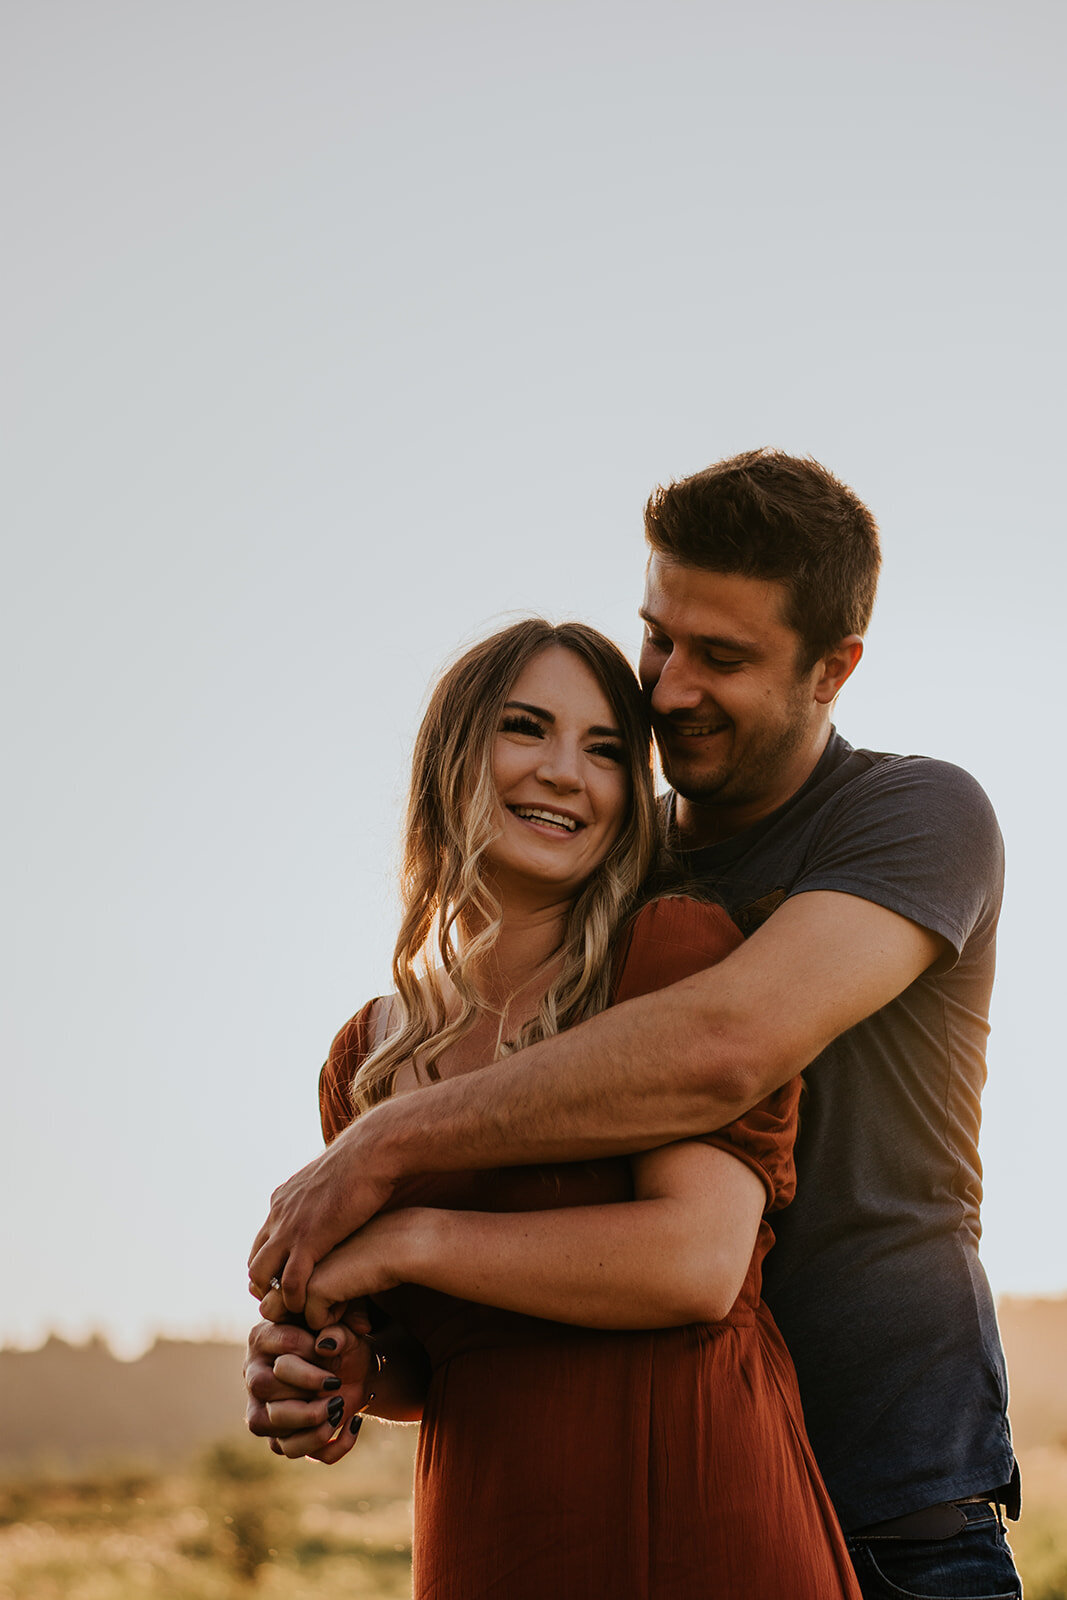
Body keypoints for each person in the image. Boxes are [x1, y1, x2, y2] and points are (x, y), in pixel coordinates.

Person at [247, 451, 1021, 1600]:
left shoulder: (911, 817)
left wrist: (383, 1148)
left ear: (832, 668)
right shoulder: (600, 866)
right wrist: (341, 1362)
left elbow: (723, 1047)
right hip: (584, 1502)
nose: (661, 689)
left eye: (721, 656)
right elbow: (464, 1339)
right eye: (658, 636)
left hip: (888, 1504)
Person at [250, 617, 862, 1599]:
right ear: (452, 754)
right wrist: (332, 1378)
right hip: (489, 1536)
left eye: (606, 750)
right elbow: (432, 1357)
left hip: (699, 1520)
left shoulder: (670, 954)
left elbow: (695, 1262)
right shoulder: (364, 1059)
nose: (565, 773)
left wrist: (409, 1238)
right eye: (526, 728)